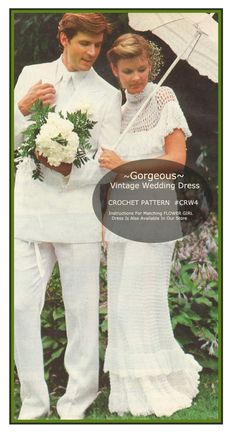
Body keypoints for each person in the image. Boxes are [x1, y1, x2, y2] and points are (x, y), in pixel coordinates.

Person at [14, 13, 121, 420]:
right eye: (84, 44)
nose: (92, 53)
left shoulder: (107, 94)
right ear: (63, 38)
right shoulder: (31, 75)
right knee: (22, 305)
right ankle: (33, 402)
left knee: (81, 311)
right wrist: (20, 110)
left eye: (97, 46)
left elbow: (108, 160)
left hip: (78, 215)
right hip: (28, 213)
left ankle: (76, 401)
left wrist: (67, 166)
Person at [99, 34, 202, 417]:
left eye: (142, 69)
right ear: (115, 70)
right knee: (121, 304)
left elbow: (175, 160)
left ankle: (158, 386)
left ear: (150, 65)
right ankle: (128, 394)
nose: (137, 78)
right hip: (122, 215)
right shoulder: (115, 109)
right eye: (128, 71)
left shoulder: (164, 99)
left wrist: (123, 167)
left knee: (140, 302)